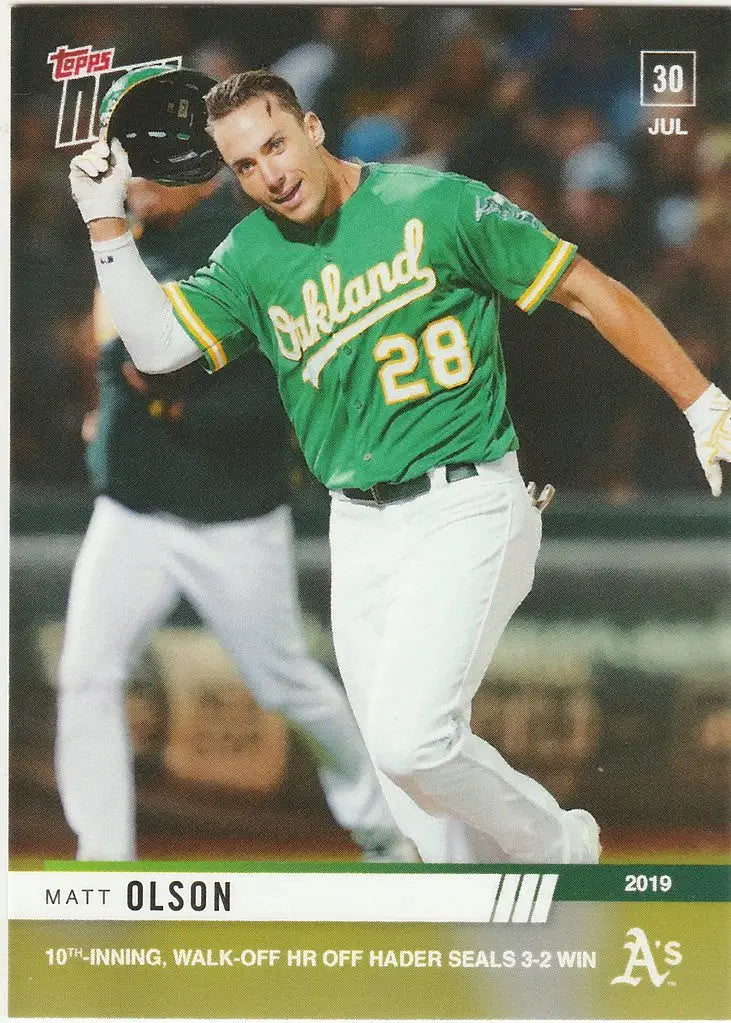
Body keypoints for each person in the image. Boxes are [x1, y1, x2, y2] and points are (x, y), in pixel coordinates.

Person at [69, 70, 731, 863]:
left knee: (412, 743)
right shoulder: (249, 255)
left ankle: (559, 844)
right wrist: (107, 222)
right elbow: (157, 347)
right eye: (244, 166)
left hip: (467, 502)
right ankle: (482, 942)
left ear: (313, 127)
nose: (270, 174)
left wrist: (699, 401)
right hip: (358, 524)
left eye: (275, 144)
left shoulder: (437, 204)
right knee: (405, 783)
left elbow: (588, 291)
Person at [55, 171, 416, 863]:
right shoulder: (123, 244)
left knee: (284, 684)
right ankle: (104, 863)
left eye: (150, 167)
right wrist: (128, 405)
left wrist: (169, 397)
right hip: (135, 512)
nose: (131, 181)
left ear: (201, 174)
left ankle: (383, 824)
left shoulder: (253, 248)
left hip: (235, 520)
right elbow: (110, 365)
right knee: (86, 675)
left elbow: (271, 407)